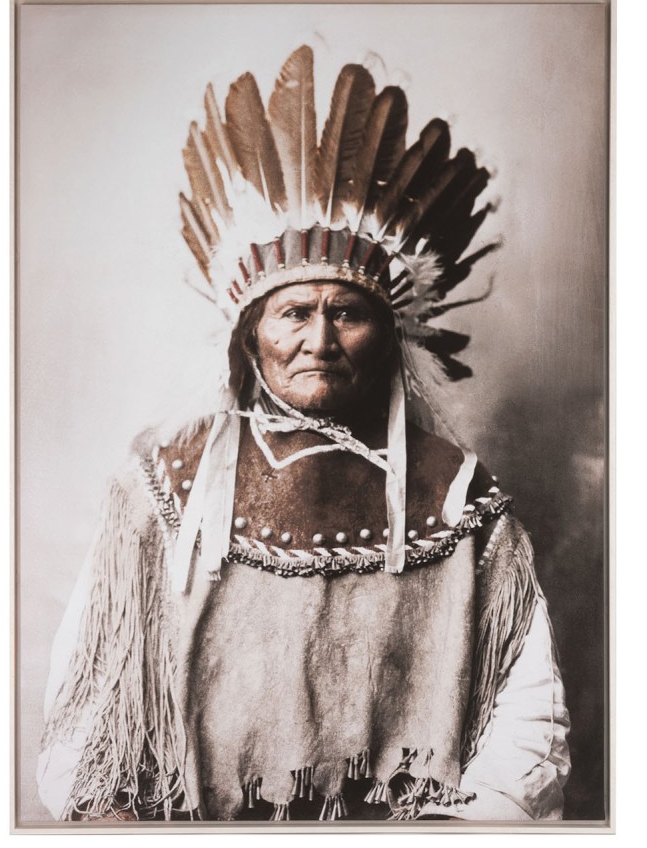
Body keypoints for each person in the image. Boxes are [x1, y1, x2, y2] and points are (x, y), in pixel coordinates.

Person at [37, 46, 570, 824]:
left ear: (387, 338)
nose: (319, 340)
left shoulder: (458, 501)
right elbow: (86, 709)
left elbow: (528, 728)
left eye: (346, 313)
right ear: (250, 336)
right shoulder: (164, 488)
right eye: (293, 312)